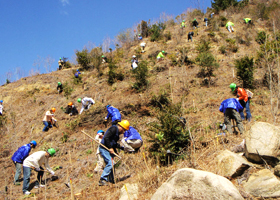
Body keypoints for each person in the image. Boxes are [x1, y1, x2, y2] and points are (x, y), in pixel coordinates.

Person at [99, 120, 130, 186]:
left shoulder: (117, 135)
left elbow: (114, 143)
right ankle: (102, 179)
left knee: (112, 164)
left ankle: (111, 180)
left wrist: (120, 149)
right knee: (111, 162)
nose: (123, 131)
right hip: (104, 148)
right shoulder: (113, 129)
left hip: (108, 149)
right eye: (124, 129)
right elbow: (106, 137)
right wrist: (110, 148)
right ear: (121, 126)